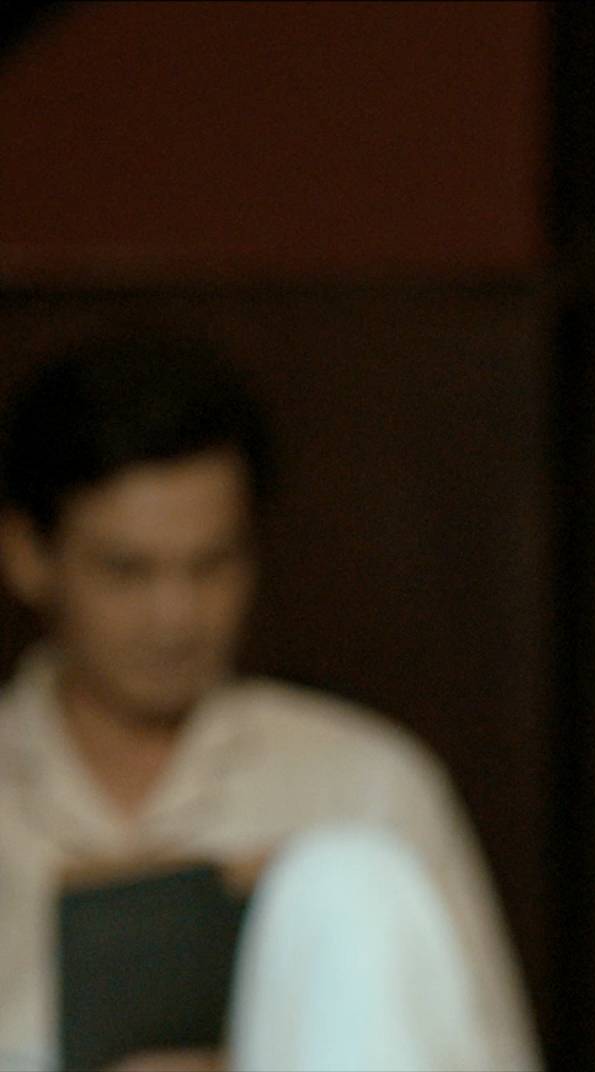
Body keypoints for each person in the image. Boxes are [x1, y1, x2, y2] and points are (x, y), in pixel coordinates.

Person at [0, 337, 537, 1071]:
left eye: (211, 566)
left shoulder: (363, 783)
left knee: (344, 879)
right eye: (126, 572)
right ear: (29, 555)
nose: (175, 619)